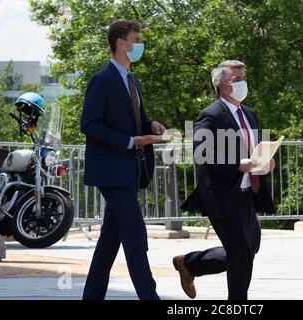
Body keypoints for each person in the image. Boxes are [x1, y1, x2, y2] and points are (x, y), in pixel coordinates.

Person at [175, 60, 275, 300]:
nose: (243, 84)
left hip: (248, 191)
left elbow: (252, 150)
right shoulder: (210, 115)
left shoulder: (249, 114)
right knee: (240, 252)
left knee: (249, 248)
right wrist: (238, 164)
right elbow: (203, 153)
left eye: (244, 78)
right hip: (222, 195)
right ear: (221, 85)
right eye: (237, 80)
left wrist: (265, 162)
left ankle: (190, 264)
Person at [80, 20, 166, 300]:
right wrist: (130, 141)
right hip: (111, 170)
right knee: (136, 236)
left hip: (130, 169)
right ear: (120, 42)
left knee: (109, 242)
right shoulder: (102, 80)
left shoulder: (133, 80)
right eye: (135, 39)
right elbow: (90, 124)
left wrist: (151, 125)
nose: (139, 44)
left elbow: (137, 118)